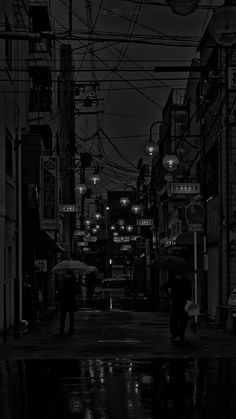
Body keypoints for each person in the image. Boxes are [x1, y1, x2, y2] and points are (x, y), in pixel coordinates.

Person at [167, 272, 192, 342]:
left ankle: (174, 334)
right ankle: (181, 335)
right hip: (183, 301)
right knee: (183, 319)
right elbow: (189, 292)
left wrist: (171, 294)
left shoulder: (172, 280)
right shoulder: (186, 280)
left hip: (175, 302)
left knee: (174, 319)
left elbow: (168, 289)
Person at [58, 269, 77, 335]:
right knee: (71, 315)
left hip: (63, 300)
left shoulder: (63, 280)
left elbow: (60, 289)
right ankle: (71, 328)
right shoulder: (73, 280)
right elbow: (76, 290)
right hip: (71, 299)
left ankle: (61, 329)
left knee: (63, 315)